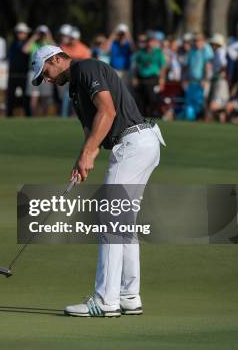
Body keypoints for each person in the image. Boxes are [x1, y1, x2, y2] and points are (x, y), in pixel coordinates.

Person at [30, 45, 165, 317]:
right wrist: (83, 158)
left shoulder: (86, 68)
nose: (46, 79)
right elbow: (93, 130)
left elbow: (108, 112)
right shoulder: (74, 88)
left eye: (45, 72)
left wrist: (89, 153)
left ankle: (105, 300)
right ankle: (129, 295)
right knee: (123, 221)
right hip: (139, 144)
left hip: (133, 143)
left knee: (110, 218)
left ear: (56, 59)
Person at [24, 25, 55, 116]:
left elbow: (58, 50)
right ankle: (34, 116)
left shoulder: (48, 44)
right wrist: (34, 37)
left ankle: (44, 116)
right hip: (33, 71)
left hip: (46, 72)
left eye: (43, 33)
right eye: (40, 33)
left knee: (45, 96)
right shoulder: (33, 44)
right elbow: (25, 49)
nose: (42, 35)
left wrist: (49, 37)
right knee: (34, 96)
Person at [132, 33, 165, 117]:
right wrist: (135, 77)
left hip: (153, 79)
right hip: (142, 78)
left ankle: (153, 115)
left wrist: (162, 79)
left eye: (152, 41)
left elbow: (162, 67)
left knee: (152, 98)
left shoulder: (158, 52)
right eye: (148, 41)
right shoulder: (141, 52)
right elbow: (136, 66)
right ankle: (142, 116)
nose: (150, 43)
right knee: (141, 99)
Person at [6, 22, 31, 117]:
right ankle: (9, 115)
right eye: (19, 32)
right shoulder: (13, 43)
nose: (20, 34)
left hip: (24, 74)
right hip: (13, 74)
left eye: (22, 32)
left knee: (26, 97)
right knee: (11, 97)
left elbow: (26, 50)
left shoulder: (28, 43)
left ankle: (28, 115)